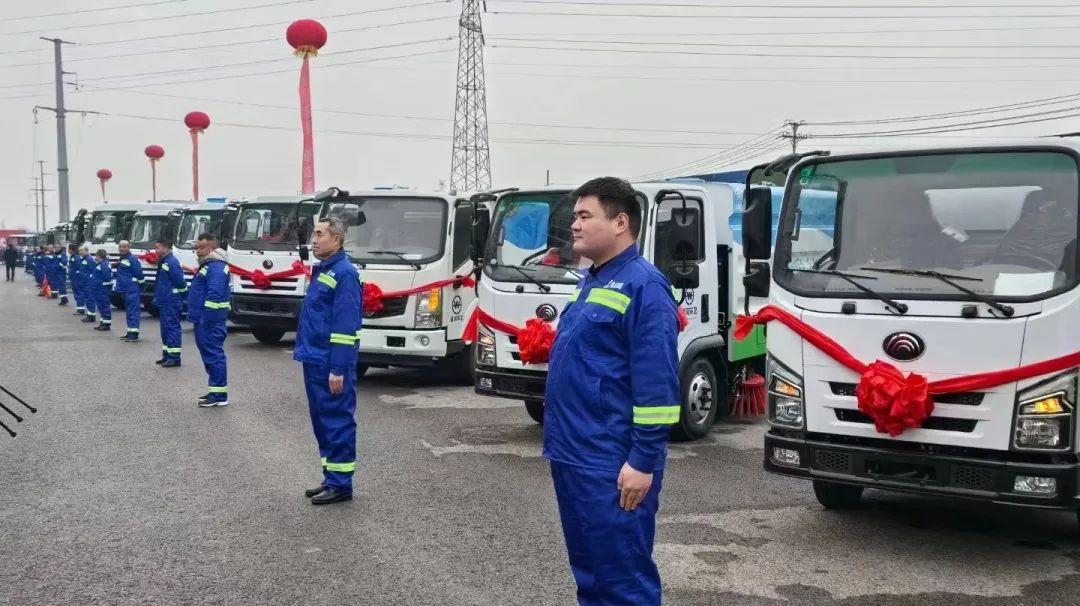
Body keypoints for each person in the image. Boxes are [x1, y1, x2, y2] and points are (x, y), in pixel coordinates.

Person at [543, 177, 680, 605]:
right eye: (575, 217)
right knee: (591, 576)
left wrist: (643, 461)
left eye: (585, 216)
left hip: (611, 463)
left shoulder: (645, 286)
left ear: (621, 222)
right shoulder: (595, 281)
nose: (575, 226)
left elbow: (657, 386)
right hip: (574, 454)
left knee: (623, 580)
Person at [294, 217, 362, 505]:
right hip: (314, 357)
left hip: (329, 361)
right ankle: (331, 477)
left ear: (336, 239)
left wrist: (338, 368)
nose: (314, 238)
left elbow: (346, 327)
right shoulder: (324, 270)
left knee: (336, 420)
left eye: (320, 234)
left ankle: (341, 484)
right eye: (314, 233)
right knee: (322, 421)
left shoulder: (345, 274)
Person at [187, 233, 231, 408]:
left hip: (210, 321)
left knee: (214, 354)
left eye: (202, 247)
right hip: (203, 319)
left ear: (212, 248)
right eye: (197, 247)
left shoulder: (216, 267)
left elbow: (215, 294)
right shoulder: (209, 265)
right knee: (209, 354)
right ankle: (215, 390)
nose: (198, 250)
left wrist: (206, 318)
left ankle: (219, 395)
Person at [152, 238, 186, 367]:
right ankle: (167, 355)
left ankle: (175, 358)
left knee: (172, 329)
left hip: (171, 301)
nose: (156, 250)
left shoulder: (171, 262)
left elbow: (180, 282)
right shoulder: (164, 261)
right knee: (165, 330)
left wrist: (180, 295)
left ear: (165, 248)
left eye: (158, 247)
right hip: (165, 300)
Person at [115, 240, 146, 342]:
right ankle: (130, 332)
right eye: (120, 247)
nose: (122, 248)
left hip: (132, 289)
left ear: (129, 248)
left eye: (124, 247)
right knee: (129, 312)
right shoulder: (123, 259)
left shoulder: (132, 259)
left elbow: (139, 274)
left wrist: (141, 285)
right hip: (125, 289)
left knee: (133, 312)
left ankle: (134, 334)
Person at [91, 249, 114, 331]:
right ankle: (102, 323)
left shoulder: (104, 264)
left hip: (102, 289)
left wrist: (99, 282)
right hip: (99, 288)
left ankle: (106, 324)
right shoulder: (101, 264)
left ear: (98, 256)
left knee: (104, 306)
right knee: (101, 307)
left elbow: (106, 277)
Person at [76, 246, 98, 322]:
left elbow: (93, 272)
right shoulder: (83, 259)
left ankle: (92, 316)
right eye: (79, 251)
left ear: (87, 251)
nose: (80, 252)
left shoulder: (89, 260)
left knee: (90, 299)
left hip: (89, 283)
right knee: (87, 300)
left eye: (82, 250)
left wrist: (90, 281)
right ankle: (90, 315)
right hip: (84, 283)